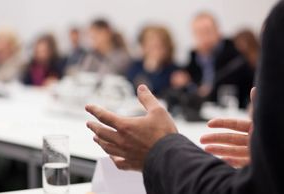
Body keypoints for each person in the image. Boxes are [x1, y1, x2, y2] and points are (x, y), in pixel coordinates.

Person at [85, 1, 284, 193]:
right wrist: (272, 154)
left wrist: (160, 148)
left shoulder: (235, 60)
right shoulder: (192, 59)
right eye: (198, 33)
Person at [171, 12, 252, 108]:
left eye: (207, 31)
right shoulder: (193, 59)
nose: (203, 37)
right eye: (198, 33)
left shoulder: (235, 57)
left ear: (218, 31)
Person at [127, 25, 178, 96]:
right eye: (151, 46)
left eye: (159, 46)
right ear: (143, 47)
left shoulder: (174, 70)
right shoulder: (135, 67)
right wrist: (149, 69)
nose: (155, 51)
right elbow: (132, 89)